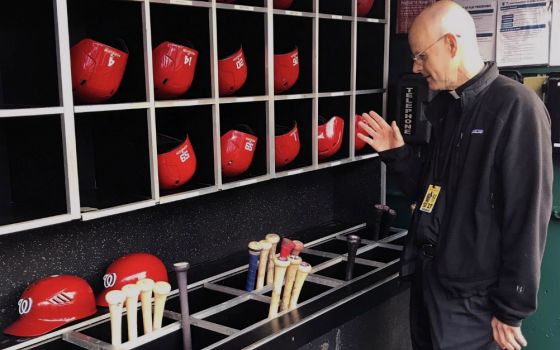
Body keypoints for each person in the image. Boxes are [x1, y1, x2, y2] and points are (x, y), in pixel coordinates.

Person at [357, 1, 553, 349]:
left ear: (451, 44)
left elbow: (527, 215)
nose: (416, 68)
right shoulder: (449, 108)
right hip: (430, 285)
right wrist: (397, 155)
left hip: (473, 304)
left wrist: (512, 308)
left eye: (421, 56)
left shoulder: (516, 108)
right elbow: (431, 192)